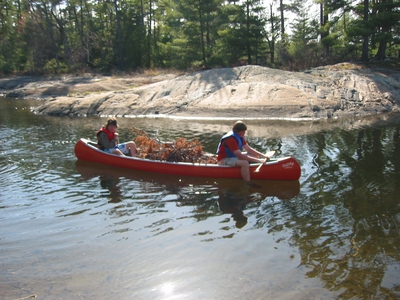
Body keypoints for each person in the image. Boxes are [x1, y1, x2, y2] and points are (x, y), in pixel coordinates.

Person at [216, 120, 270, 187]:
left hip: (233, 156)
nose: (244, 133)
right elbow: (240, 156)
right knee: (244, 163)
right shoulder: (231, 139)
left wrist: (263, 155)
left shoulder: (240, 136)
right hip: (224, 159)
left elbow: (249, 149)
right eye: (243, 131)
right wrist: (259, 161)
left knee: (255, 155)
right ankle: (248, 182)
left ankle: (248, 170)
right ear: (238, 131)